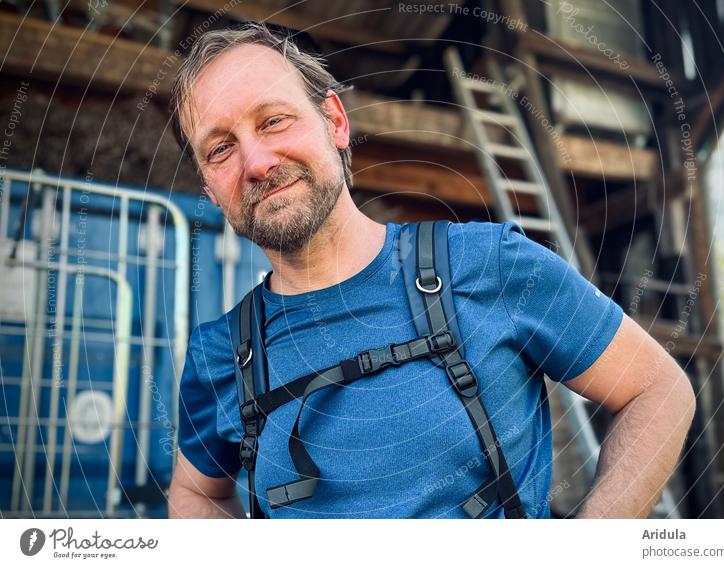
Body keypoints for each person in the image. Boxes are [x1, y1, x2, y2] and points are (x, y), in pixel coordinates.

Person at [166, 23, 696, 519]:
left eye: (273, 120)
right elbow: (195, 492)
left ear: (335, 122)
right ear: (210, 189)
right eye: (220, 148)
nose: (255, 162)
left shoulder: (488, 264)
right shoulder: (220, 356)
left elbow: (658, 390)